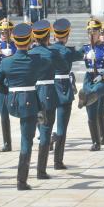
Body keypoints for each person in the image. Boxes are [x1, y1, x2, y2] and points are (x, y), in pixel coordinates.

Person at [0, 23, 42, 190]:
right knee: (26, 140)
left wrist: (9, 91)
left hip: (12, 101)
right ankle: (21, 180)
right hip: (29, 101)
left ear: (14, 39)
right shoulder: (36, 60)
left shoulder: (6, 62)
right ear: (29, 40)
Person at [29, 20, 68, 179]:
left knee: (32, 132)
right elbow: (64, 67)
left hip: (31, 93)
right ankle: (41, 171)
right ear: (48, 36)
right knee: (45, 132)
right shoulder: (52, 53)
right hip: (47, 93)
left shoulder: (30, 53)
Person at [78, 18, 104, 151]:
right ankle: (96, 142)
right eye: (89, 32)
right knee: (91, 112)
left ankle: (84, 98)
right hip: (89, 78)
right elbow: (72, 56)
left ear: (99, 32)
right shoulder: (85, 48)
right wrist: (84, 56)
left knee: (94, 94)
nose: (91, 35)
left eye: (94, 32)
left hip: (102, 79)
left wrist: (103, 75)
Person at [51, 18, 84, 169]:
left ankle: (48, 142)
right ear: (67, 34)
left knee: (46, 123)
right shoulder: (67, 51)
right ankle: (58, 161)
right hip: (63, 87)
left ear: (54, 34)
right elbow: (79, 55)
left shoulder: (49, 49)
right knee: (62, 127)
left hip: (49, 88)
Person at [0, 19, 17, 152]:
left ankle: (40, 134)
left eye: (6, 32)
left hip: (14, 79)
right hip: (1, 80)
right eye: (2, 31)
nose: (4, 34)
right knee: (3, 113)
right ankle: (7, 143)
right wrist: (0, 50)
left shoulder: (15, 44)